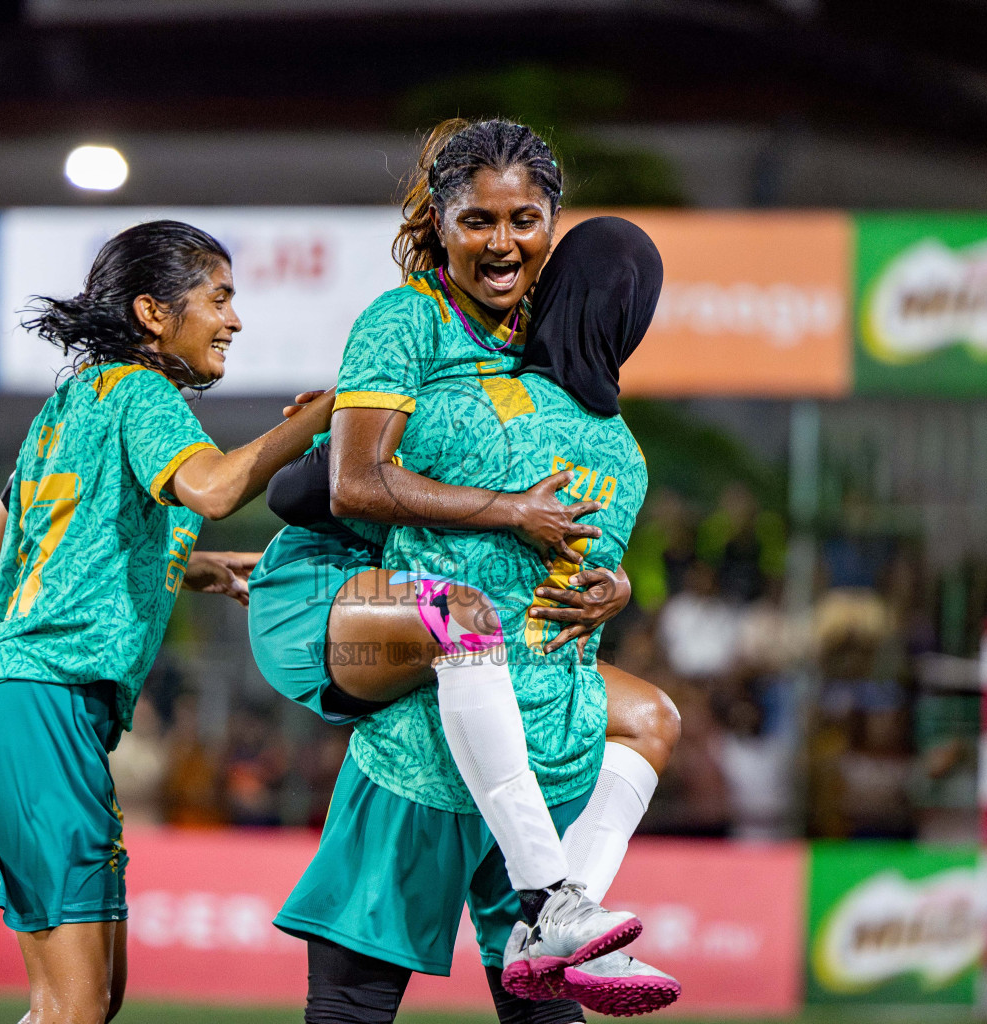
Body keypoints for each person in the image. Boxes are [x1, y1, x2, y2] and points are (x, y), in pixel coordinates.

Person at [248, 121, 680, 1011]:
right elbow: (352, 486)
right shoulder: (407, 317)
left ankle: (560, 912)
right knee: (466, 617)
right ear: (441, 223)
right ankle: (551, 898)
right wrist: (511, 512)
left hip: (448, 622)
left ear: (552, 225)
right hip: (336, 595)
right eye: (479, 221)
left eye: (525, 220)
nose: (503, 241)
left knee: (647, 713)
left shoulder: (535, 342)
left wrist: (615, 581)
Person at [0, 220, 336, 1024]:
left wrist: (187, 568)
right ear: (154, 314)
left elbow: (3, 543)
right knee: (76, 1007)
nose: (234, 320)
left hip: (16, 707)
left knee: (88, 1002)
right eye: (219, 299)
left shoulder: (70, 401)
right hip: (42, 705)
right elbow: (218, 489)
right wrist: (322, 414)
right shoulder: (142, 391)